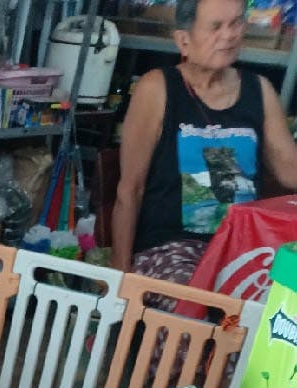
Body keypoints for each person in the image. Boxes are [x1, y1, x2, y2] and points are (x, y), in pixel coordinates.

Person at [112, 0, 297, 282]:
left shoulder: (259, 90)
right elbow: (130, 190)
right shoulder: (157, 88)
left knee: (281, 299)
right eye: (215, 27)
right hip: (170, 249)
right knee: (195, 303)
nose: (229, 35)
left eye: (236, 23)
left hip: (241, 250)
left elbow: (289, 169)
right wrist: (119, 275)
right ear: (183, 41)